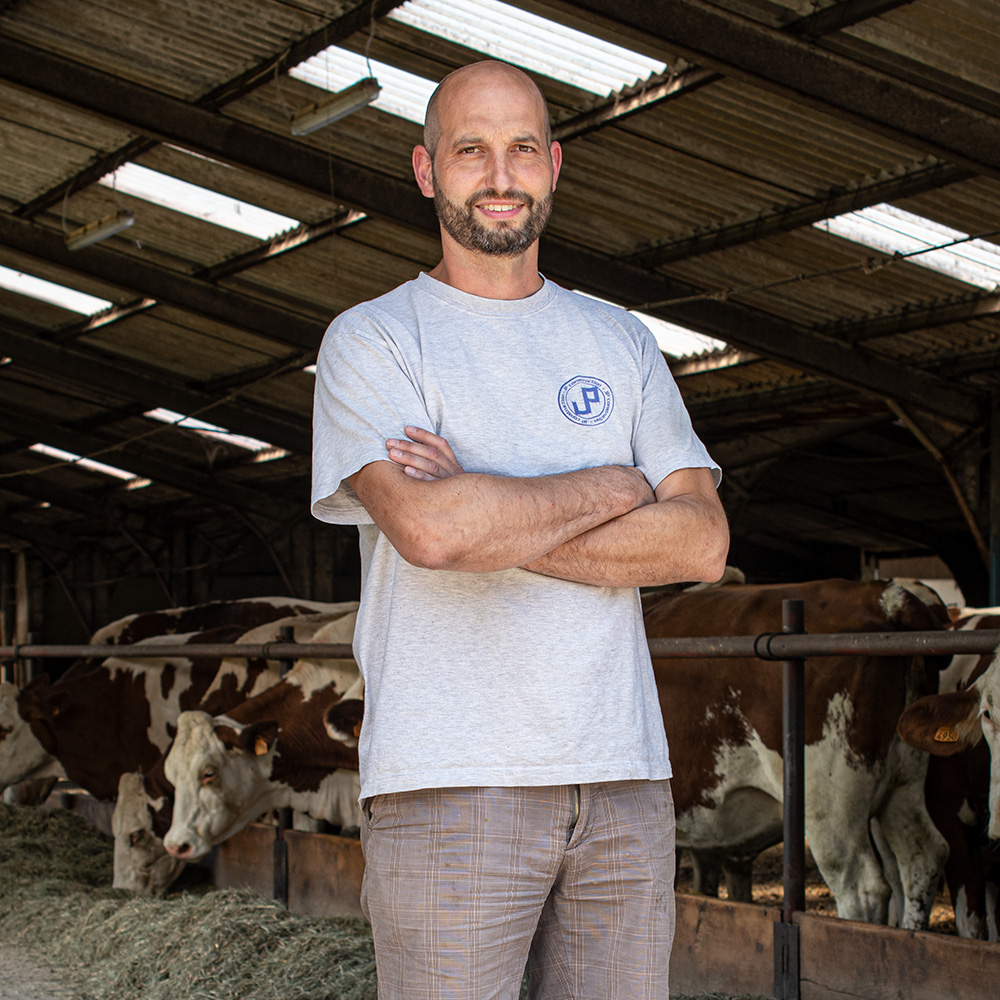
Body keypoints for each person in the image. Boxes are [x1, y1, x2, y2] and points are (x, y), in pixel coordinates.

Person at [311, 59, 729, 1000]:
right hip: (448, 779)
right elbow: (429, 532)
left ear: (554, 165)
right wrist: (618, 487)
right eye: (471, 150)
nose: (499, 176)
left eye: (522, 150)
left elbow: (700, 544)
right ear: (426, 171)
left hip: (622, 778)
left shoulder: (620, 340)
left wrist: (486, 504)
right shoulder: (375, 339)